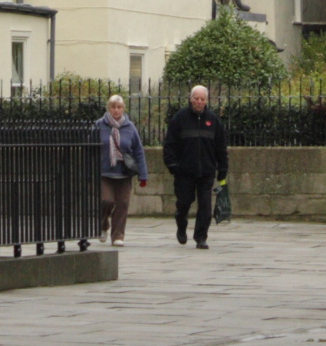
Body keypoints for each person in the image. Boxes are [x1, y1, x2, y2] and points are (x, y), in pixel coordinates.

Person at [162, 84, 228, 248]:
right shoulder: (179, 118)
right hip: (184, 171)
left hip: (206, 171)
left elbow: (221, 147)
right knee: (184, 202)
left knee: (205, 206)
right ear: (190, 99)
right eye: (196, 99)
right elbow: (169, 144)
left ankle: (201, 237)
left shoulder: (213, 120)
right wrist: (173, 165)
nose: (199, 102)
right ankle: (181, 223)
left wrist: (222, 168)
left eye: (202, 99)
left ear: (207, 101)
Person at [90, 94, 148, 245]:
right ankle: (102, 226)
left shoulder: (130, 127)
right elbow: (89, 149)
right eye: (113, 107)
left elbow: (138, 151)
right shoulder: (98, 125)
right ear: (108, 108)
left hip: (124, 173)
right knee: (106, 201)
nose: (116, 110)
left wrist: (143, 175)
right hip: (104, 172)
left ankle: (118, 236)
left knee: (122, 204)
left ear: (123, 109)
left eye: (119, 107)